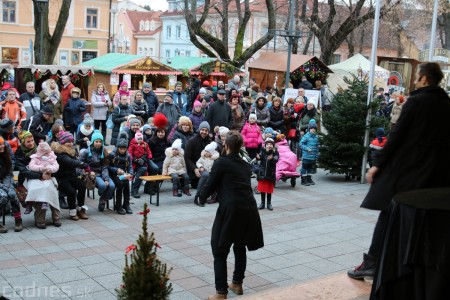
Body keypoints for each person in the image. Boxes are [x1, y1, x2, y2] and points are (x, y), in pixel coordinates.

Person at [348, 62, 450, 287]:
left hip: (410, 173)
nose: (414, 81)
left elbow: (398, 134)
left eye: (417, 78)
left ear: (424, 79)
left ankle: (373, 262)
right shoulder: (446, 103)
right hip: (437, 178)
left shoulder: (417, 101)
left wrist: (378, 164)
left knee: (388, 213)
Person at [199, 131, 264, 300]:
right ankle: (237, 283)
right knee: (239, 246)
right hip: (249, 208)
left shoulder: (221, 162)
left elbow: (210, 184)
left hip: (230, 210)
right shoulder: (244, 164)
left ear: (226, 146)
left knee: (219, 250)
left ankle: (221, 292)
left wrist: (201, 197)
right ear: (241, 146)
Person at [53, 131, 89, 221]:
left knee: (82, 186)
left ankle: (80, 209)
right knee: (71, 191)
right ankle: (72, 211)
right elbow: (71, 162)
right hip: (60, 178)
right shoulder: (60, 153)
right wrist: (84, 165)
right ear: (62, 142)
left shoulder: (72, 150)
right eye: (67, 142)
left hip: (70, 176)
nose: (70, 143)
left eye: (71, 141)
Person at [25, 141, 61, 227]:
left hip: (49, 177)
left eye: (48, 152)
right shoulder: (35, 158)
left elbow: (56, 166)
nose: (47, 155)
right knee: (38, 190)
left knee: (51, 191)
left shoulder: (52, 157)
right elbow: (31, 166)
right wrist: (41, 168)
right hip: (36, 178)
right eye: (45, 153)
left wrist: (50, 169)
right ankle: (39, 218)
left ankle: (56, 217)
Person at [80, 130, 115, 212]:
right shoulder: (86, 152)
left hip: (103, 173)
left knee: (112, 186)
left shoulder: (104, 151)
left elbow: (105, 166)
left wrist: (106, 178)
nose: (98, 143)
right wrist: (86, 172)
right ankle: (104, 195)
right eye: (96, 141)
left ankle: (103, 199)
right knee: (103, 186)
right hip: (93, 174)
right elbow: (81, 163)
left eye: (100, 142)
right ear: (93, 141)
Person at [0, 136, 23, 233]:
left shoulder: (6, 150)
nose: (2, 146)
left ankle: (18, 220)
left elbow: (10, 171)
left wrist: (6, 185)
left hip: (7, 179)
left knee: (12, 194)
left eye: (2, 145)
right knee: (3, 196)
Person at [109, 132, 133, 214]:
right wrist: (116, 170)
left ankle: (126, 204)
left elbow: (130, 166)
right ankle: (118, 206)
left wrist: (130, 174)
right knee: (120, 184)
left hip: (123, 175)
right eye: (121, 149)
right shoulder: (112, 155)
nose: (122, 150)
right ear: (118, 147)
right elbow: (108, 167)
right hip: (114, 174)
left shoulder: (128, 156)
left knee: (126, 185)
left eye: (124, 149)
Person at [128, 131, 158, 198]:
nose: (140, 140)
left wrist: (147, 157)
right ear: (135, 139)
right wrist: (135, 159)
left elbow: (148, 152)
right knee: (141, 170)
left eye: (141, 139)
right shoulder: (132, 145)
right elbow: (129, 154)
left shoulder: (145, 144)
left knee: (150, 169)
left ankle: (145, 188)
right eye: (138, 139)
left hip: (144, 161)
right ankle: (134, 189)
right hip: (134, 163)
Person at [184, 121, 212, 189]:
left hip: (206, 167)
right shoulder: (191, 141)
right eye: (202, 130)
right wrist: (194, 169)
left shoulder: (209, 142)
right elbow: (187, 158)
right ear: (199, 129)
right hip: (194, 168)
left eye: (206, 130)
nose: (204, 132)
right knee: (205, 177)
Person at [256, 138, 279, 210]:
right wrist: (258, 157)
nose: (269, 146)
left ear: (273, 145)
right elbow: (259, 156)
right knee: (262, 189)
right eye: (267, 144)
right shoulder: (262, 151)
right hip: (262, 173)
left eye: (271, 144)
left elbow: (276, 159)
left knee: (269, 190)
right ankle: (262, 203)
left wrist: (272, 158)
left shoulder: (275, 152)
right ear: (265, 145)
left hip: (270, 174)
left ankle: (269, 203)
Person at [194, 141, 219, 207]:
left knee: (212, 182)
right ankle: (198, 196)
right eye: (205, 151)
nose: (206, 153)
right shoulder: (203, 157)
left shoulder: (215, 158)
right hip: (204, 171)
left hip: (212, 173)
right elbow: (198, 162)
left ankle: (213, 197)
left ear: (212, 153)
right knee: (206, 176)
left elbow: (217, 166)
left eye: (208, 152)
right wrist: (201, 167)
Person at [299, 119, 319, 186]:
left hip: (313, 157)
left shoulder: (316, 137)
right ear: (309, 129)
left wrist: (317, 155)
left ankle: (309, 178)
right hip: (306, 156)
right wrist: (307, 148)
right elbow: (301, 144)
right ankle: (303, 179)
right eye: (311, 128)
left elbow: (317, 147)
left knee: (310, 168)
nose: (313, 130)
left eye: (314, 128)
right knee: (304, 168)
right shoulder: (306, 136)